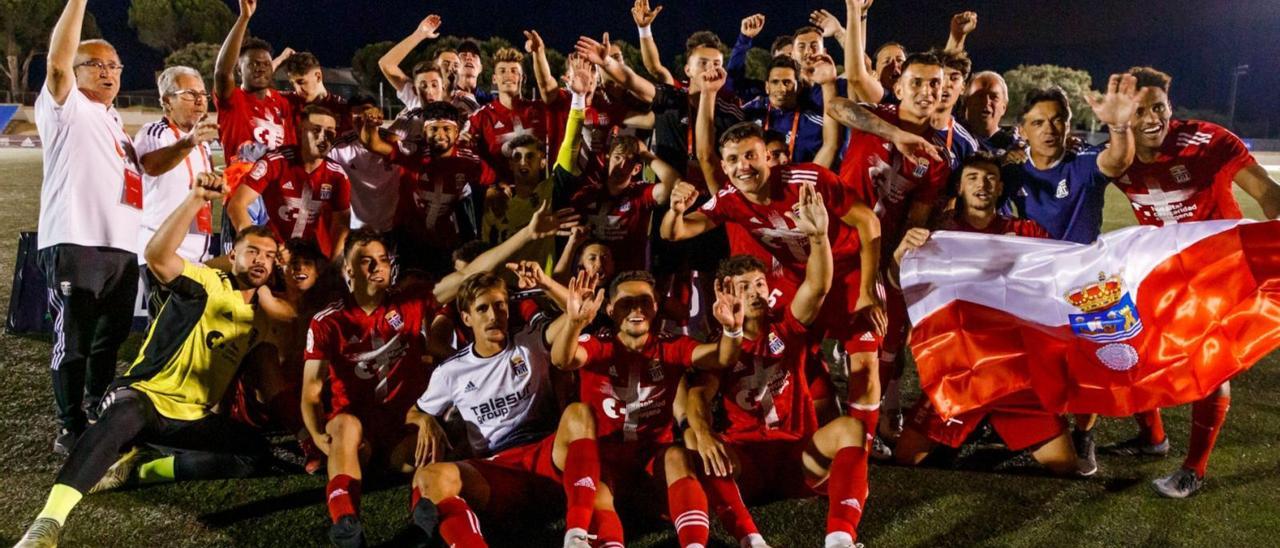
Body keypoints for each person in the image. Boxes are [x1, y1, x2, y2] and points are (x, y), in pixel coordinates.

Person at [14, 175, 280, 548]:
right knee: (122, 416)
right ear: (232, 254)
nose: (261, 261)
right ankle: (47, 523)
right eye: (253, 251)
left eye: (269, 255)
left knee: (254, 453)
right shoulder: (205, 281)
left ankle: (138, 473)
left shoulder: (263, 318)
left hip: (190, 418)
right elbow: (157, 256)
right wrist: (195, 200)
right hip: (145, 398)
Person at [661, 121, 886, 468]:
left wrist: (869, 290)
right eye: (733, 160)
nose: (743, 166)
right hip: (797, 280)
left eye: (751, 156)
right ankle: (817, 422)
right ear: (724, 166)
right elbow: (674, 233)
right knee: (783, 348)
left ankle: (862, 449)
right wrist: (675, 209)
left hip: (848, 274)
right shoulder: (730, 199)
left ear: (769, 157)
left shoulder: (808, 180)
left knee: (865, 364)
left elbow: (868, 222)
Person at [1110, 66, 1280, 498]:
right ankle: (1153, 438)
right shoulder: (1118, 153)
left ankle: (1193, 469)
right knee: (1128, 350)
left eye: (1159, 107)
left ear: (1171, 105)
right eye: (1140, 110)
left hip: (1216, 272)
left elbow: (1265, 193)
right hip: (1158, 271)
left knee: (1209, 365)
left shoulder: (1209, 141)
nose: (1152, 119)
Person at [683, 185, 873, 547]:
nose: (755, 292)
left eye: (759, 284)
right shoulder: (720, 344)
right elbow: (697, 395)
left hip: (796, 454)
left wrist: (818, 238)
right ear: (727, 293)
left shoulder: (785, 325)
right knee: (694, 438)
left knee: (851, 428)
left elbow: (817, 288)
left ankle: (841, 539)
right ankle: (751, 540)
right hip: (747, 461)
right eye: (744, 287)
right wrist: (705, 434)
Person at [890, 154, 1079, 476]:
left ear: (1000, 187)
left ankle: (992, 426)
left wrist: (1024, 259)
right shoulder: (937, 235)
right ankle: (974, 426)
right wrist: (899, 255)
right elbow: (899, 284)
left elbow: (1064, 276)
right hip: (960, 372)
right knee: (905, 457)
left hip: (1013, 373)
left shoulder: (1023, 232)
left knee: (1065, 466)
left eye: (990, 177)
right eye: (973, 177)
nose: (982, 184)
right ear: (960, 188)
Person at [550, 269, 749, 547]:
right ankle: (579, 538)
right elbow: (562, 360)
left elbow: (721, 357)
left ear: (656, 305)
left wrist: (732, 329)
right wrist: (573, 322)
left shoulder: (670, 345)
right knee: (579, 420)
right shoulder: (601, 343)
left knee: (678, 455)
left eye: (645, 301)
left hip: (650, 465)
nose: (637, 309)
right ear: (609, 308)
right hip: (602, 461)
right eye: (626, 302)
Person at [405, 272, 601, 548]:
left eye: (499, 305)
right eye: (482, 308)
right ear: (467, 318)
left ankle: (577, 536)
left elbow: (570, 319)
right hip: (496, 471)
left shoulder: (531, 340)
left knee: (579, 413)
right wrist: (426, 421)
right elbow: (413, 412)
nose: (493, 315)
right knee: (430, 477)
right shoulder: (451, 372)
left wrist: (561, 300)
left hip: (548, 456)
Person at [34, 0, 142, 456]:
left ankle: (97, 408)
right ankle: (69, 424)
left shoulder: (116, 123)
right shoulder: (66, 107)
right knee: (74, 339)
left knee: (110, 338)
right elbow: (57, 61)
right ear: (75, 71)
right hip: (74, 241)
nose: (108, 72)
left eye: (114, 65)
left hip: (120, 247)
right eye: (96, 64)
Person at [302, 229, 445, 546]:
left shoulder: (411, 301)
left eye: (382, 260)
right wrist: (317, 437)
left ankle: (423, 528)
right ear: (347, 270)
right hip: (359, 441)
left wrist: (529, 234)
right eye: (366, 261)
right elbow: (311, 393)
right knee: (343, 424)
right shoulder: (328, 321)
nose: (377, 267)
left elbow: (468, 277)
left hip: (402, 432)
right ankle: (346, 524)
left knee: (432, 439)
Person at [133, 66, 218, 319]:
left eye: (203, 94)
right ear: (167, 101)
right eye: (190, 94)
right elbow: (152, 166)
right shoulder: (155, 132)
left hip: (198, 255)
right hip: (165, 255)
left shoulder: (201, 143)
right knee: (165, 334)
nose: (200, 100)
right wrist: (188, 142)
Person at [214, 0, 296, 251]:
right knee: (241, 265)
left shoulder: (283, 104)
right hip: (243, 196)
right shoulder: (234, 100)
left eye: (265, 64)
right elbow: (221, 72)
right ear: (240, 70)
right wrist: (244, 18)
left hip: (277, 197)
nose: (260, 68)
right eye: (252, 64)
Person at [227, 105, 352, 260]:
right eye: (315, 130)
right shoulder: (276, 162)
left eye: (329, 132)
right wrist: (259, 247)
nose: (322, 137)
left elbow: (341, 225)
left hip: (316, 262)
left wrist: (332, 265)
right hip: (275, 256)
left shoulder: (337, 175)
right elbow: (237, 205)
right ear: (300, 132)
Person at [386, 101, 487, 275]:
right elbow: (377, 144)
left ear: (457, 132)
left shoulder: (469, 159)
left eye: (447, 129)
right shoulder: (413, 154)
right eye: (434, 129)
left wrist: (496, 189)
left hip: (448, 244)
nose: (440, 135)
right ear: (424, 132)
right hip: (411, 242)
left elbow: (492, 181)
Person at [326, 96, 404, 234]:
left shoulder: (394, 143)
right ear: (350, 119)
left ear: (378, 116)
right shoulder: (339, 149)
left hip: (394, 226)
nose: (363, 122)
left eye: (368, 116)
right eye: (358, 118)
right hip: (357, 228)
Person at [280, 51, 351, 134]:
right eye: (293, 84)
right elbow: (261, 94)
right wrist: (279, 60)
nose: (297, 90)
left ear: (318, 76)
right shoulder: (288, 101)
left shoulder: (342, 108)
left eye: (301, 82)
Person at [962, 71, 1025, 155]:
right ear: (966, 102)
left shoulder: (1015, 144)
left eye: (994, 97)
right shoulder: (953, 138)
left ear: (1004, 107)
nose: (986, 102)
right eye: (979, 96)